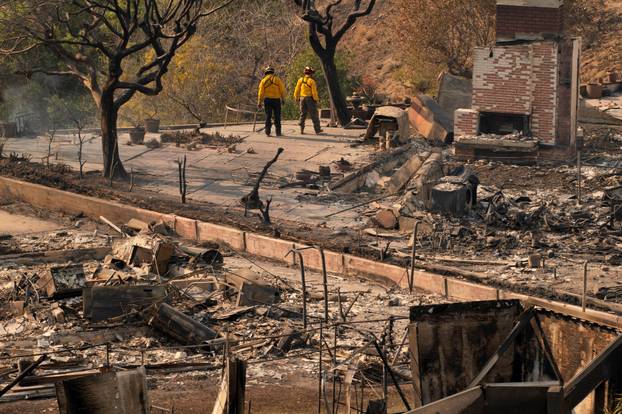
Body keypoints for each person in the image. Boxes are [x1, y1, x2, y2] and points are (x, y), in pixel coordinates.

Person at [257, 66, 286, 137]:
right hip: (276, 100)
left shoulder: (263, 81)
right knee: (277, 116)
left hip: (267, 100)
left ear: (266, 72)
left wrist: (259, 102)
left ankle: (267, 131)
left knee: (268, 116)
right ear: (273, 72)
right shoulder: (277, 79)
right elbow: (282, 90)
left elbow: (261, 93)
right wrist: (283, 99)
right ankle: (278, 132)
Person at [294, 66, 322, 135]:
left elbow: (296, 90)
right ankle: (317, 130)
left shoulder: (300, 80)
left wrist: (296, 97)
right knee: (314, 114)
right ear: (311, 74)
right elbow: (314, 92)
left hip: (302, 98)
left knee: (303, 113)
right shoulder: (311, 81)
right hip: (309, 99)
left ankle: (301, 129)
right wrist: (316, 100)